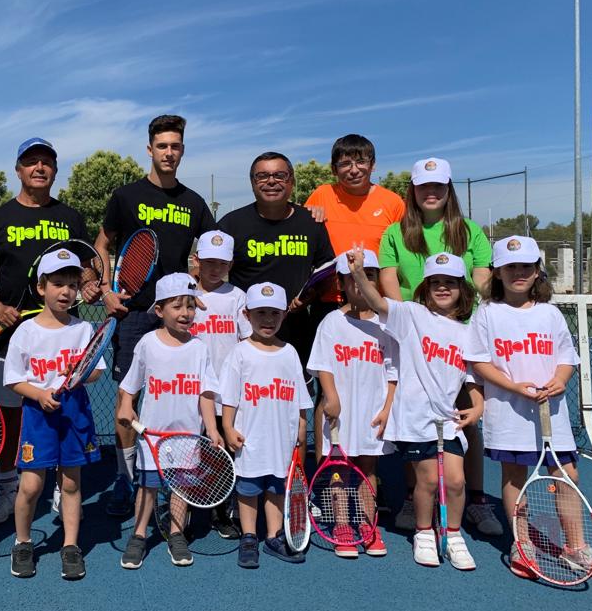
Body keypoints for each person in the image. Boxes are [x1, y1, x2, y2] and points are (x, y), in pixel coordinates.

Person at [464, 236, 592, 583]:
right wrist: (513, 387)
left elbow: (567, 357)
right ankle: (523, 545)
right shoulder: (487, 314)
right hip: (509, 414)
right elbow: (478, 362)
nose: (519, 273)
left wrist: (560, 380)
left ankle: (576, 547)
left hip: (552, 416)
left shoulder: (550, 313)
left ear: (537, 271)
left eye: (526, 266)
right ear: (497, 273)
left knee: (567, 476)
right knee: (514, 477)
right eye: (510, 267)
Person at [96, 115, 215, 517]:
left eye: (175, 146)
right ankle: (126, 477)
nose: (168, 152)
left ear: (183, 150)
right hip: (133, 313)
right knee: (126, 397)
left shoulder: (194, 202)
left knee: (179, 396)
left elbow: (213, 249)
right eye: (162, 146)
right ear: (150, 149)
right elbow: (103, 243)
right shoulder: (126, 196)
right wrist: (106, 288)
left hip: (176, 315)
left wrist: (199, 287)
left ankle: (175, 475)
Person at [0, 137, 91, 524]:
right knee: (11, 419)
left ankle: (60, 486)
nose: (39, 168)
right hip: (12, 339)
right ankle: (8, 487)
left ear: (54, 171)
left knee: (63, 413)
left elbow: (88, 267)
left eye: (46, 163)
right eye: (31, 162)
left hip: (62, 342)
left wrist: (91, 284)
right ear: (18, 169)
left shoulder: (70, 218)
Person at [378, 157, 499, 536]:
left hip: (462, 335)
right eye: (423, 186)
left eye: (438, 186)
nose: (431, 192)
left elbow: (482, 280)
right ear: (413, 190)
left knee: (465, 418)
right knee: (414, 418)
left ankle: (475, 498)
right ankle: (415, 495)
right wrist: (411, 326)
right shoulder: (395, 233)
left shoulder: (471, 232)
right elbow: (389, 282)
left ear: (448, 189)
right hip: (415, 336)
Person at [347, 247, 484, 570]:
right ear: (426, 288)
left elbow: (472, 377)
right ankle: (424, 533)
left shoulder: (468, 332)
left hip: (447, 420)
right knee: (428, 480)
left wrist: (478, 406)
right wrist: (358, 273)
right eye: (435, 282)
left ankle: (453, 535)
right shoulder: (411, 315)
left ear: (462, 289)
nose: (442, 288)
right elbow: (378, 302)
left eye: (450, 282)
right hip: (415, 419)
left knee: (456, 481)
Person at [3, 249, 105, 581]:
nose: (66, 292)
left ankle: (70, 546)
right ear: (41, 287)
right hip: (38, 416)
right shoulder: (26, 331)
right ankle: (22, 542)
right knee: (31, 485)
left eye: (72, 285)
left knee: (71, 483)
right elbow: (14, 379)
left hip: (74, 414)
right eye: (58, 283)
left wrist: (80, 371)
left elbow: (96, 371)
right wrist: (39, 394)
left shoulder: (83, 328)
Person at [303, 134, 405, 459]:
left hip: (374, 310)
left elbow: (399, 255)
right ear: (334, 168)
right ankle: (326, 468)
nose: (353, 169)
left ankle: (371, 465)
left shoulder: (393, 203)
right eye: (345, 163)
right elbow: (306, 235)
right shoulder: (321, 194)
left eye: (360, 161)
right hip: (329, 306)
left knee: (376, 386)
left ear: (373, 165)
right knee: (327, 391)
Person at [115, 273, 220, 570]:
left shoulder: (199, 348)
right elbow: (129, 385)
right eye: (177, 306)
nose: (185, 313)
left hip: (187, 436)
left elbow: (206, 392)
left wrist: (212, 428)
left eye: (190, 306)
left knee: (181, 488)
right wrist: (126, 405)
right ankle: (139, 535)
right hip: (152, 437)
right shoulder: (148, 344)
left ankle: (176, 533)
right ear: (160, 311)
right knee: (147, 487)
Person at [305, 249, 396, 559]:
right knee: (338, 472)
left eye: (369, 276)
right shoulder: (331, 322)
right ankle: (342, 525)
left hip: (372, 413)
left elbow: (393, 372)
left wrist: (387, 408)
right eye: (353, 277)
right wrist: (330, 397)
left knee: (368, 470)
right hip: (340, 415)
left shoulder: (386, 324)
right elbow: (323, 365)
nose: (360, 282)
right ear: (342, 283)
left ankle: (369, 526)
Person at [220, 282, 313, 569]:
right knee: (248, 489)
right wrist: (228, 427)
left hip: (280, 440)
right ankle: (249, 536)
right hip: (250, 438)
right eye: (261, 313)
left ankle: (273, 536)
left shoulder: (290, 353)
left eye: (274, 313)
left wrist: (301, 425)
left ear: (284, 315)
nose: (268, 319)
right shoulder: (239, 353)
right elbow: (229, 397)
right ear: (247, 315)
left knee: (275, 488)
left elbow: (299, 397)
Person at [216, 152, 334, 364]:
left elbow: (326, 273)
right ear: (252, 183)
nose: (271, 181)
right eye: (262, 176)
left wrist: (310, 296)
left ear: (291, 181)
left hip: (296, 333)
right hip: (244, 334)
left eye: (280, 175)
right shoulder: (231, 224)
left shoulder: (311, 223)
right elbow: (207, 270)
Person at [189, 230, 251, 538]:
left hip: (225, 391)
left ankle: (220, 510)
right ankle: (183, 509)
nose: (216, 269)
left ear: (231, 264)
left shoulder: (238, 296)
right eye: (210, 262)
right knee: (189, 451)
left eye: (222, 263)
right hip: (191, 390)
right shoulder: (184, 293)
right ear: (196, 260)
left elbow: (247, 340)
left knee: (221, 452)